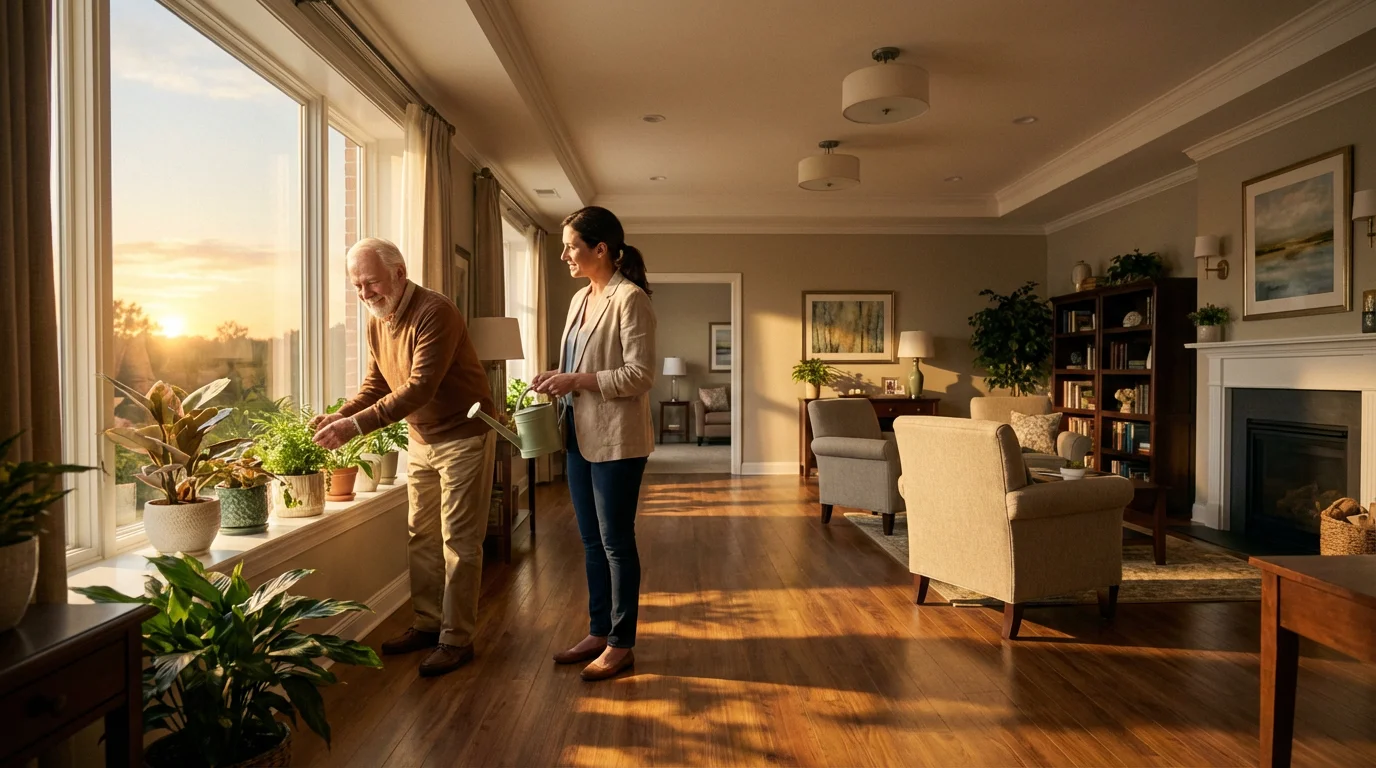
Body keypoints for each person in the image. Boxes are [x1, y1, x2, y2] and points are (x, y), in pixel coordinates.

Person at [311, 237, 496, 678]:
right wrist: (340, 414)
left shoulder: (437, 312)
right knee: (421, 535)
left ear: (398, 272)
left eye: (370, 282)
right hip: (421, 438)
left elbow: (419, 387)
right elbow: (378, 385)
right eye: (357, 286)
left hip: (463, 435)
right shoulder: (379, 320)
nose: (364, 294)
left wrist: (353, 428)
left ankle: (457, 638)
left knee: (459, 541)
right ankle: (429, 625)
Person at [532, 206, 656, 682]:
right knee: (589, 542)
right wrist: (555, 375)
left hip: (617, 439)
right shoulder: (580, 299)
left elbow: (639, 375)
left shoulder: (631, 299)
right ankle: (598, 630)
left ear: (600, 248)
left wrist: (577, 379)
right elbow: (579, 361)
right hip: (577, 434)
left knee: (616, 543)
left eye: (571, 246)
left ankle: (622, 643)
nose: (564, 253)